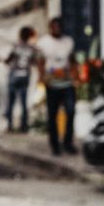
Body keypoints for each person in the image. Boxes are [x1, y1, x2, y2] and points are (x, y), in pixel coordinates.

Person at [36, 17, 77, 155]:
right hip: (52, 83)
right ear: (50, 28)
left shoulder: (68, 42)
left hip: (67, 82)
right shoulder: (43, 43)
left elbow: (72, 60)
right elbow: (40, 62)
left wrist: (75, 76)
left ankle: (68, 142)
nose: (57, 29)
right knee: (52, 115)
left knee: (70, 112)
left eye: (59, 27)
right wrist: (42, 78)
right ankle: (55, 145)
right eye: (55, 27)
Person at [3, 25, 38, 134]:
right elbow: (34, 61)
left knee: (11, 101)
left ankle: (10, 124)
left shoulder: (16, 46)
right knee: (23, 102)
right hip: (25, 75)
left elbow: (8, 60)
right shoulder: (32, 48)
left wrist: (5, 61)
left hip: (14, 75)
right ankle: (23, 126)